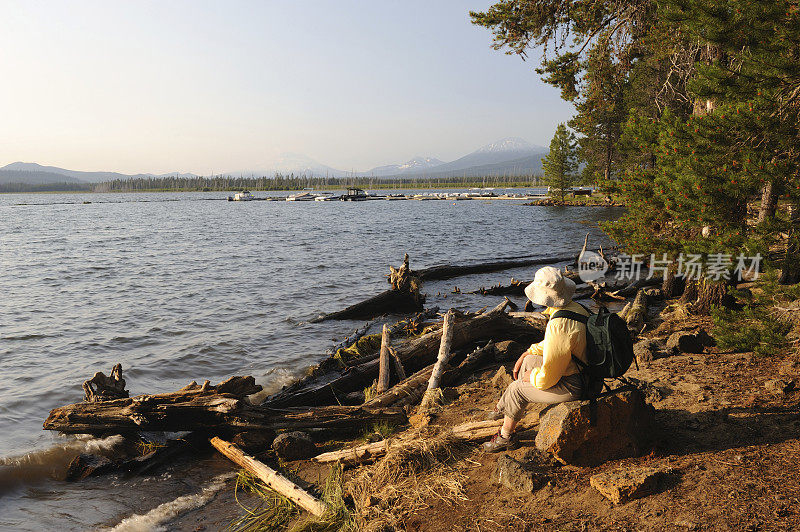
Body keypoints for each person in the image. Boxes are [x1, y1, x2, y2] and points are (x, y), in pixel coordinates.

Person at [482, 266, 590, 452]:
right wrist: (528, 352)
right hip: (583, 371)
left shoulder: (558, 324)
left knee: (517, 389)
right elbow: (556, 345)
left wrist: (531, 378)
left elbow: (549, 377)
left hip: (575, 385)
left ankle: (506, 436)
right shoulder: (575, 308)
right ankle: (504, 409)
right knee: (529, 360)